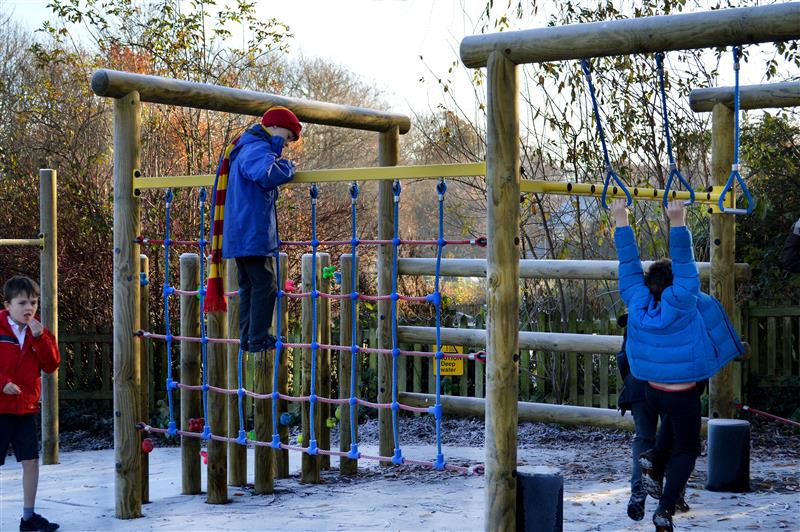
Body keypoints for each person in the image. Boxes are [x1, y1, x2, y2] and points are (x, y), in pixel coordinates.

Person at [612, 199, 743, 532]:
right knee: (687, 448)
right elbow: (685, 262)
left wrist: (620, 218)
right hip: (682, 392)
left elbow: (628, 264)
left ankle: (655, 458)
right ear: (677, 285)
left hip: (652, 389)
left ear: (647, 283)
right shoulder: (684, 301)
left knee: (669, 432)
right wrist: (678, 220)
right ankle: (665, 509)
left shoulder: (636, 299)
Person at [204, 106, 302, 352]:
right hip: (251, 231)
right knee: (265, 284)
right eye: (288, 137)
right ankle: (258, 337)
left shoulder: (247, 147)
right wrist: (288, 167)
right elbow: (267, 173)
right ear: (277, 129)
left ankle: (248, 338)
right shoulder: (257, 148)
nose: (287, 144)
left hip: (241, 230)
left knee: (249, 284)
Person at [0, 275, 61, 532]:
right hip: (0, 409)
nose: (29, 308)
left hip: (25, 408)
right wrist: (1, 382)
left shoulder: (39, 332)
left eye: (34, 302)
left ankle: (28, 518)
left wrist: (40, 338)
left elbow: (51, 365)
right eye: (22, 302)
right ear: (7, 305)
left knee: (31, 462)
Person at [616, 313, 689, 522]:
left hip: (639, 384)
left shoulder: (635, 321)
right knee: (673, 439)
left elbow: (623, 356)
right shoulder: (675, 315)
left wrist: (631, 380)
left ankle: (638, 491)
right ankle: (674, 496)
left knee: (643, 437)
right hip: (670, 384)